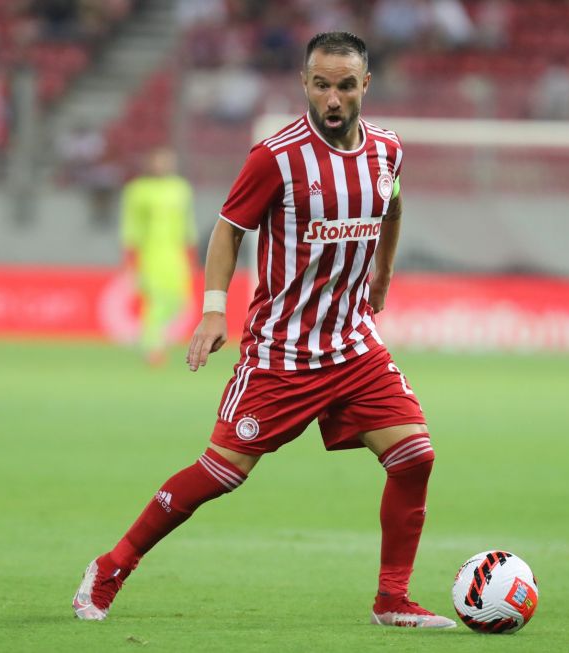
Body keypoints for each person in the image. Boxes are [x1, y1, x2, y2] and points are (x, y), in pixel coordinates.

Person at [72, 31, 456, 629]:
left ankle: (391, 600)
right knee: (221, 473)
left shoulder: (387, 150)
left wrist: (382, 273)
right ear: (304, 83)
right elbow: (228, 230)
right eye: (321, 85)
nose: (333, 98)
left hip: (353, 344)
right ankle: (111, 565)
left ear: (365, 85)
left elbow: (394, 206)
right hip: (283, 352)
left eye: (345, 86)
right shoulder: (275, 157)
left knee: (414, 457)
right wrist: (214, 309)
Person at [120, 146, 198, 365]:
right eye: (159, 161)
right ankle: (152, 347)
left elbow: (188, 223)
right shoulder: (137, 190)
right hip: (150, 253)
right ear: (150, 163)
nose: (163, 165)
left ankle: (154, 339)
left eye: (167, 161)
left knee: (178, 301)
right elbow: (131, 225)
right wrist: (130, 256)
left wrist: (191, 253)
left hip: (176, 254)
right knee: (154, 300)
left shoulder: (181, 188)